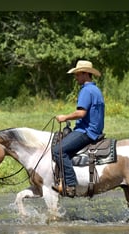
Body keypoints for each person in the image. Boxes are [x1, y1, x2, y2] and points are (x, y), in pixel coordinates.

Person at [52, 60, 105, 198]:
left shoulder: (86, 90)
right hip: (94, 130)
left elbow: (81, 113)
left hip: (87, 131)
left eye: (77, 74)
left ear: (85, 74)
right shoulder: (96, 90)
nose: (76, 78)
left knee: (58, 150)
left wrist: (65, 117)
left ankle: (70, 185)